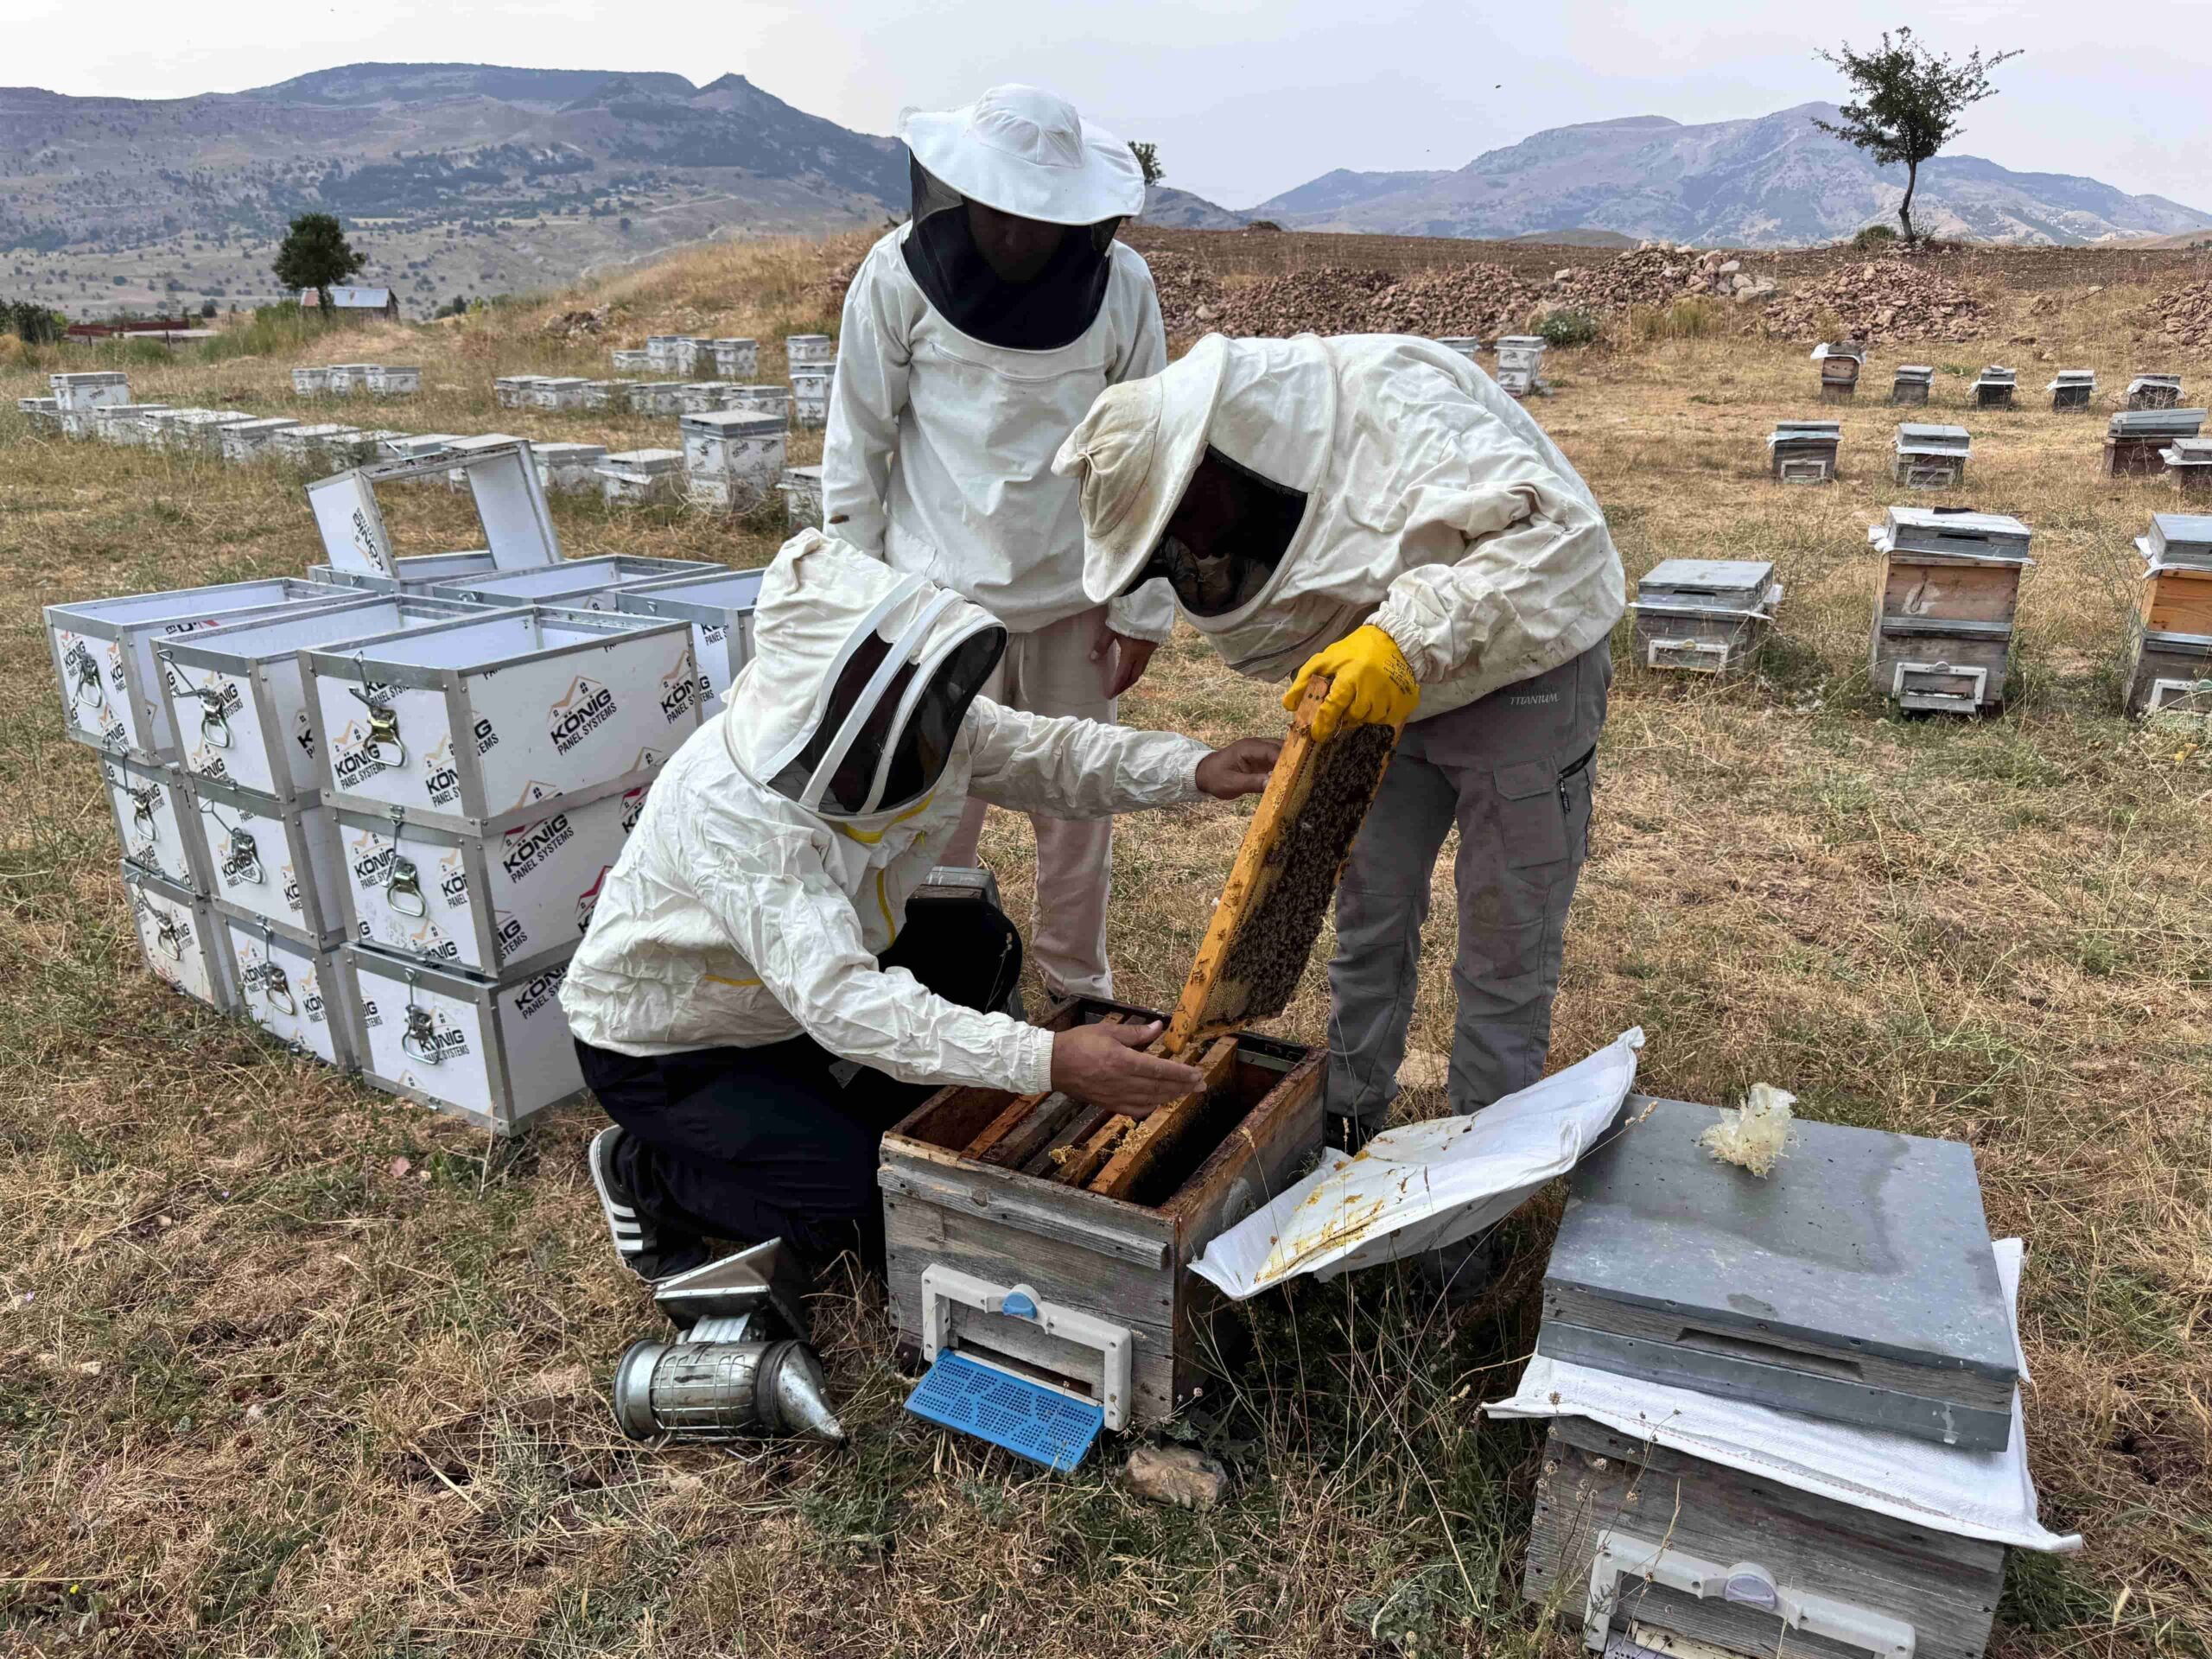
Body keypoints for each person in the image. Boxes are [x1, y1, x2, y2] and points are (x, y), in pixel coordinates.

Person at [560, 531, 1278, 1281]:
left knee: (975, 941)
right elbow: (842, 1001)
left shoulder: (917, 714)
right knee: (868, 1212)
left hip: (791, 994)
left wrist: (1194, 767)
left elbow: (1051, 757)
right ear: (826, 694)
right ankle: (644, 1174)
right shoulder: (733, 812)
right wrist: (1050, 1060)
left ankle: (834, 1111)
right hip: (674, 1047)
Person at [1055, 333, 1625, 1156]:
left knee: (1504, 944)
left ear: (1206, 464)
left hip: (1525, 671)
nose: (1192, 558)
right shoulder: (1248, 499)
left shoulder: (1389, 399)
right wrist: (1383, 650)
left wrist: (1406, 638)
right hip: (1381, 692)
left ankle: (1481, 1173)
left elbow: (1559, 540)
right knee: (1370, 911)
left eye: (1178, 532)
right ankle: (1347, 1117)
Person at [823, 83, 1173, 1003]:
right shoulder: (893, 276)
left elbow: (1148, 452)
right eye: (1001, 210)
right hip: (933, 607)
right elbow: (856, 445)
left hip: (1073, 605)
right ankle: (929, 993)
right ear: (962, 190)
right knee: (931, 818)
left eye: (1040, 217)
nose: (1016, 235)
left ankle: (1075, 988)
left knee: (1079, 813)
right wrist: (857, 605)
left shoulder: (1123, 286)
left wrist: (1141, 606)